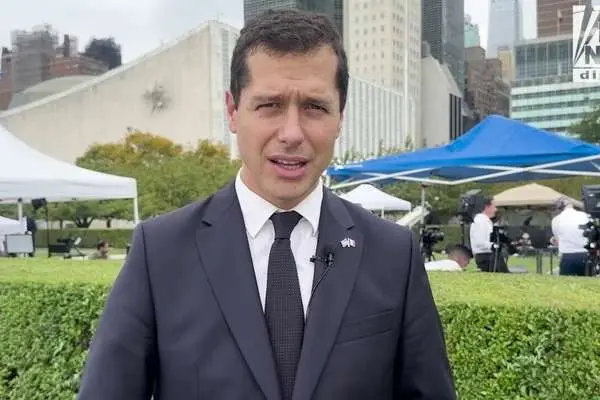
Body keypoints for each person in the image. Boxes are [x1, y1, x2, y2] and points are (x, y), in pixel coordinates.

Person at [77, 9, 455, 400]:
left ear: (340, 116)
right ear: (232, 111)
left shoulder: (393, 254)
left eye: (314, 107)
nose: (291, 133)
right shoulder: (160, 253)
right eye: (269, 105)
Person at [469, 197, 509, 273]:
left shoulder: (485, 221)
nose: (496, 209)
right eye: (494, 207)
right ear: (487, 207)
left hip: (490, 256)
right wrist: (495, 245)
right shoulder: (480, 221)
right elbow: (479, 242)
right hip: (486, 257)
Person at [551, 197, 589, 276]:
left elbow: (557, 240)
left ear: (559, 207)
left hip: (567, 255)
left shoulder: (556, 220)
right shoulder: (585, 216)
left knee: (566, 282)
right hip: (586, 254)